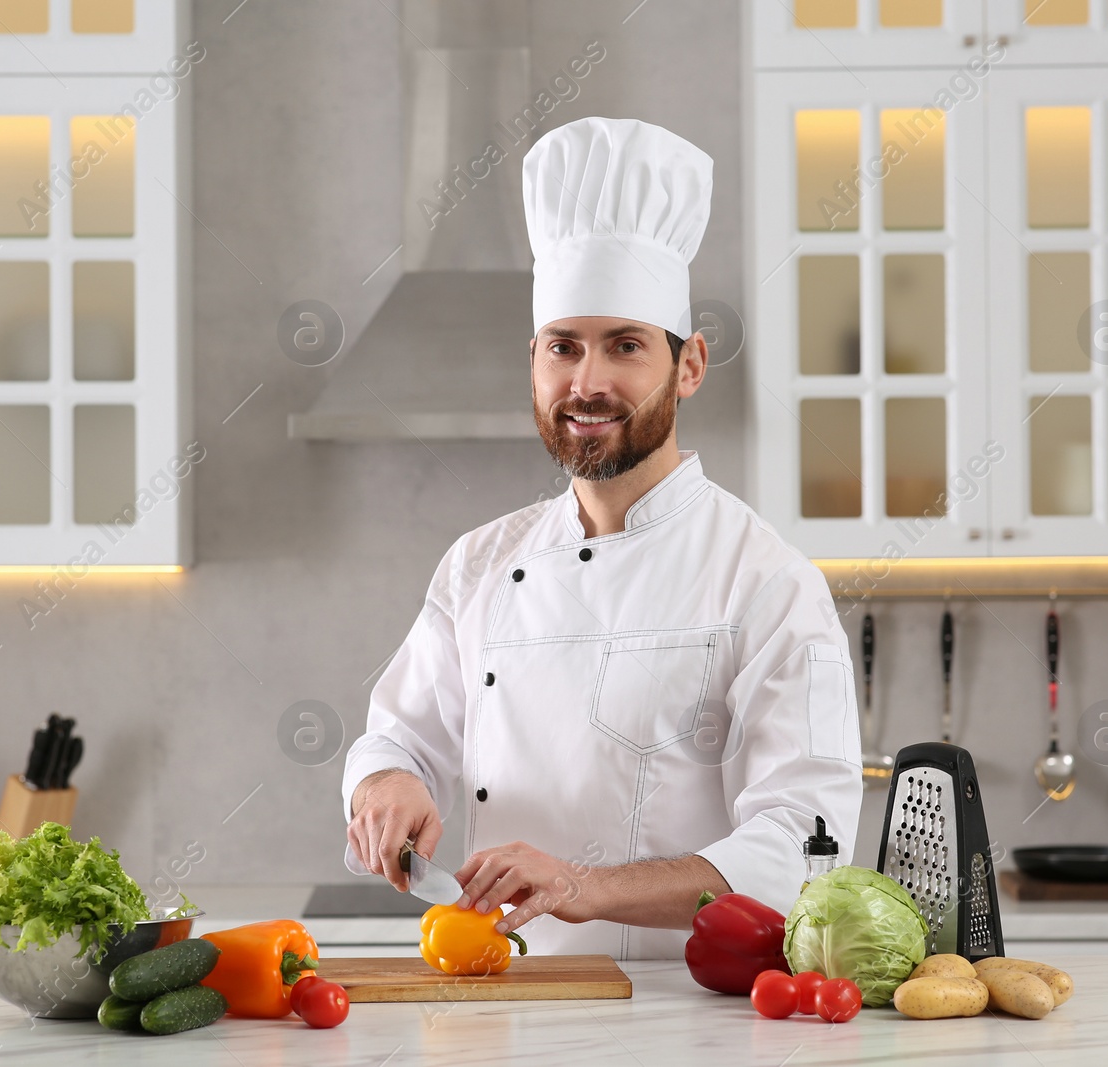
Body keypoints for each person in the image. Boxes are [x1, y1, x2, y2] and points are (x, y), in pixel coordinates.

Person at [342, 116, 863, 958]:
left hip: (680, 1020)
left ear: (688, 364)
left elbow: (808, 843)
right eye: (564, 348)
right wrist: (387, 782)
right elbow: (398, 736)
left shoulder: (767, 581)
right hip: (498, 1005)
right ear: (535, 361)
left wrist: (584, 890)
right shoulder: (478, 563)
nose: (587, 382)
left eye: (625, 346)